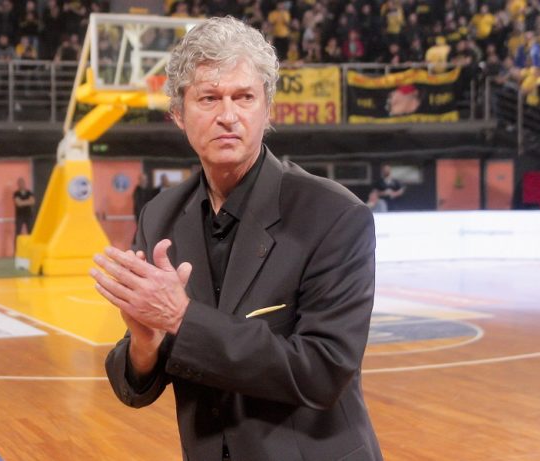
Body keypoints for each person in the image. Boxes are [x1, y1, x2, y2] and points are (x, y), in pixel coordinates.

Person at [92, 16, 381, 461]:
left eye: (244, 97)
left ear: (267, 109)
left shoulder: (335, 216)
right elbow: (136, 384)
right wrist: (144, 345)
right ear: (178, 114)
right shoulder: (160, 216)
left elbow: (323, 371)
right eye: (208, 98)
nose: (228, 116)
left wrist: (182, 319)